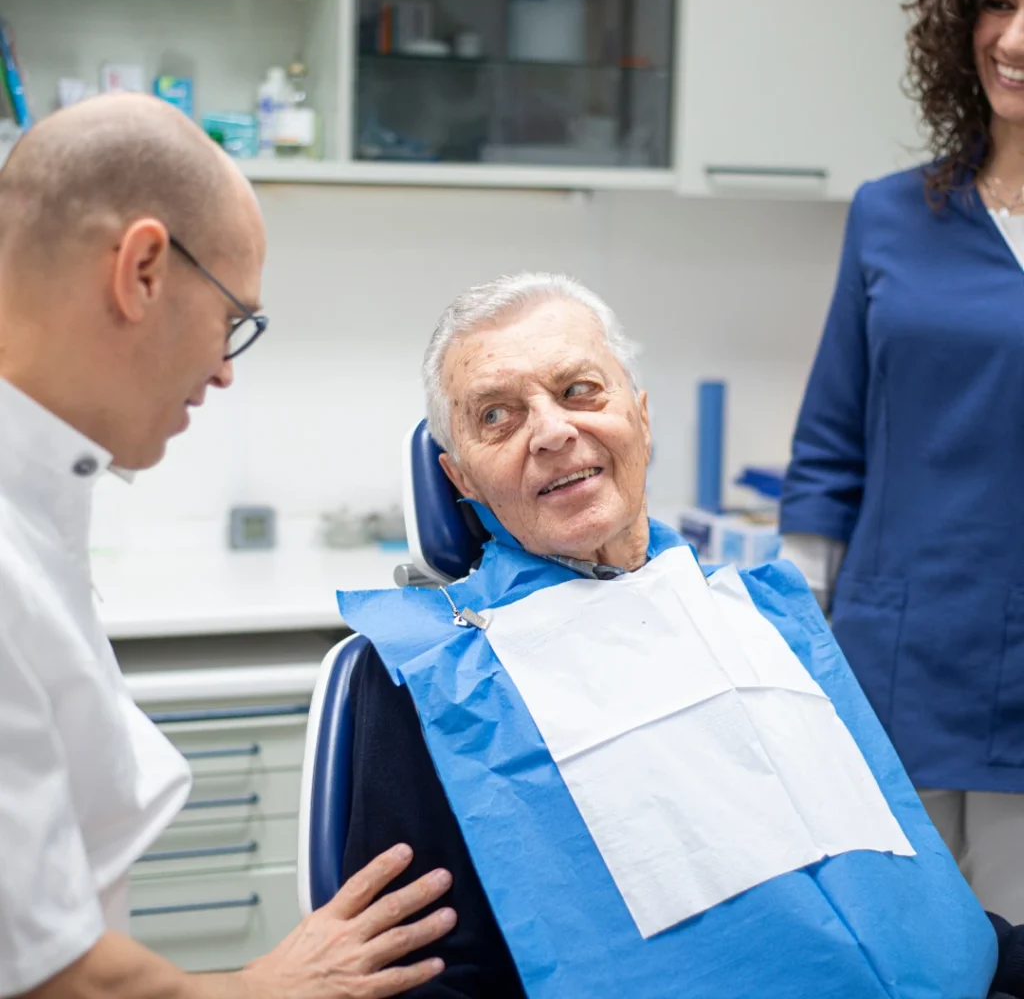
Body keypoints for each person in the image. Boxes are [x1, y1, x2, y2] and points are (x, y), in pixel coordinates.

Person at [335, 272, 1022, 999]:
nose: (553, 431)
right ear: (461, 478)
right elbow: (414, 977)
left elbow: (900, 890)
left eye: (579, 391)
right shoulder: (434, 673)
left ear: (641, 416)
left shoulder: (762, 615)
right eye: (498, 416)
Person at [0, 94, 457, 999]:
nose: (224, 369)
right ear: (140, 271)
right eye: (231, 320)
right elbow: (52, 978)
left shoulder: (41, 500)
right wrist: (266, 986)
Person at [780, 0, 1024, 924]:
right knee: (901, 959)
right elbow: (833, 437)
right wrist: (797, 630)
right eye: (998, 4)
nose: (1013, 40)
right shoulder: (890, 214)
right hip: (896, 654)